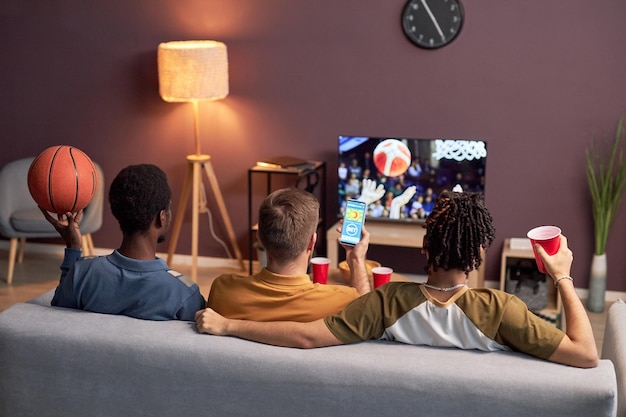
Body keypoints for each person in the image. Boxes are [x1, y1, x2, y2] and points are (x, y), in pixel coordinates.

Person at [196, 191, 599, 369]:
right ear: (479, 256)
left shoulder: (386, 302)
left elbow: (308, 337)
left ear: (424, 249)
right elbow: (586, 355)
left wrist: (228, 325)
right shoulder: (502, 310)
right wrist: (562, 275)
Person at [43, 164, 206, 321]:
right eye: (168, 209)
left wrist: (73, 247)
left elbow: (60, 311)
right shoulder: (185, 294)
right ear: (161, 217)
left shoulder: (82, 274)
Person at [204, 187, 371, 321]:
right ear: (312, 242)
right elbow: (369, 315)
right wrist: (356, 259)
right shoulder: (342, 301)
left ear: (259, 237)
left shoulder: (223, 289)